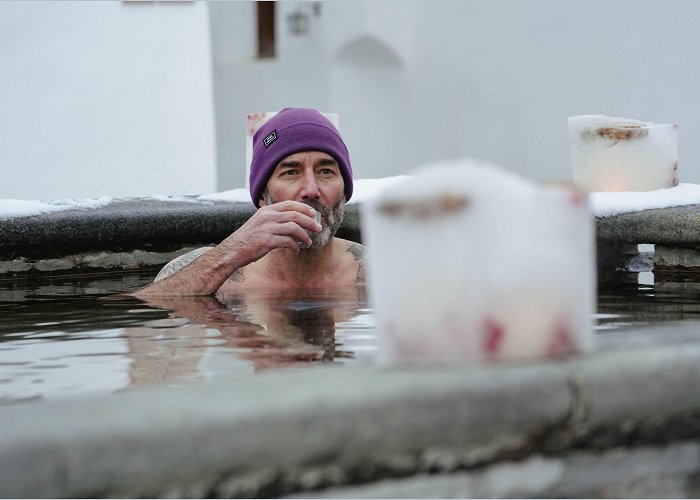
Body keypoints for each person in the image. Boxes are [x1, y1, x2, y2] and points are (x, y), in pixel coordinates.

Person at [132, 107, 366, 297]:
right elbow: (140, 316)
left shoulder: (378, 273)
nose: (311, 190)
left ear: (345, 189)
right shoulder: (207, 271)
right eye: (290, 172)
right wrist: (232, 252)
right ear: (262, 196)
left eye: (325, 171)